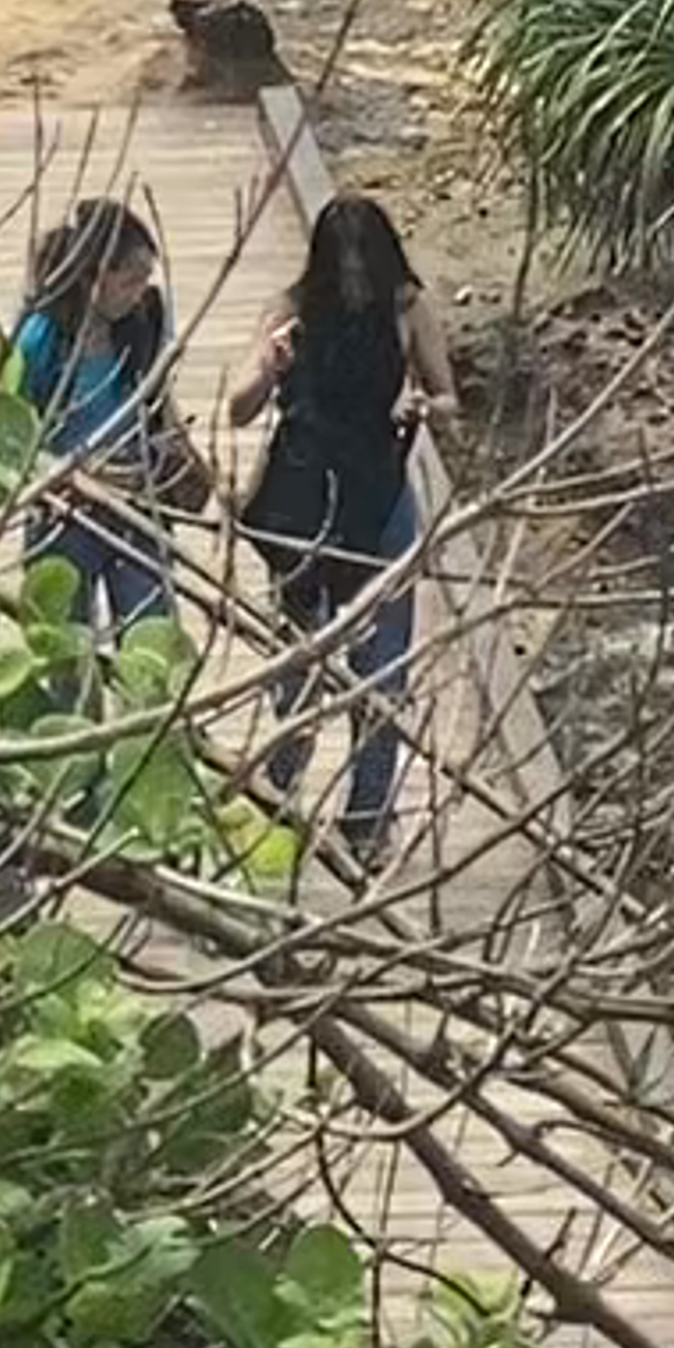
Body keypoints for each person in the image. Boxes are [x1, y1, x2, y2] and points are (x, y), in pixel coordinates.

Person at [226, 189, 456, 860]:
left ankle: (368, 816)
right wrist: (270, 366)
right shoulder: (290, 310)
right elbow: (238, 408)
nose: (355, 286)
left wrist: (424, 404)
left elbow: (449, 399)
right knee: (299, 662)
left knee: (383, 670)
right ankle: (277, 796)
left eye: (364, 272)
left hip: (379, 494)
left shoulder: (407, 310)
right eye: (343, 272)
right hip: (303, 496)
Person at [11, 199, 200, 638]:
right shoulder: (41, 339)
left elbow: (158, 397)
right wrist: (64, 476)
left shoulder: (144, 319)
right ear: (91, 278)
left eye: (145, 280)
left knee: (150, 634)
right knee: (63, 642)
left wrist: (181, 456)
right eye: (129, 281)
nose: (138, 293)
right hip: (63, 510)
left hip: (137, 506)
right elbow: (15, 430)